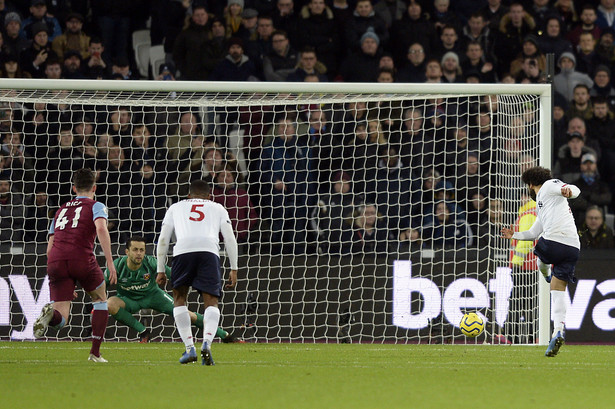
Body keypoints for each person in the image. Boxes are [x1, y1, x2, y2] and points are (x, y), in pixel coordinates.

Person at [33, 168, 117, 363]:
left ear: (73, 188)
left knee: (61, 320)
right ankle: (95, 353)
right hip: (81, 257)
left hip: (55, 260)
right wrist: (110, 262)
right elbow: (102, 229)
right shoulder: (96, 206)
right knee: (100, 299)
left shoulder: (60, 210)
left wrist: (64, 277)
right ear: (94, 187)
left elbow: (49, 248)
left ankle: (49, 316)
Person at [156, 179, 239, 365]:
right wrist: (234, 268)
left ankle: (189, 348)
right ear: (209, 196)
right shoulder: (217, 207)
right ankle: (207, 344)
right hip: (209, 252)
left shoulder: (175, 207)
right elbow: (230, 238)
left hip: (183, 251)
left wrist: (160, 269)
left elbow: (163, 239)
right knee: (211, 302)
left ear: (188, 195)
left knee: (179, 298)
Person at [501, 166, 581, 357]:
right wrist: (515, 235)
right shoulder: (543, 205)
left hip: (554, 242)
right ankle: (558, 331)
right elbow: (533, 233)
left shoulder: (548, 186)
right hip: (572, 248)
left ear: (530, 185)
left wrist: (568, 191)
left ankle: (545, 273)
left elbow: (573, 188)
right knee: (558, 289)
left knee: (541, 255)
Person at [104, 236, 242, 343]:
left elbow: (173, 274)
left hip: (153, 296)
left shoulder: (150, 262)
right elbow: (100, 284)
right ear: (127, 252)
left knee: (189, 315)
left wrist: (198, 284)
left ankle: (225, 336)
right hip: (129, 300)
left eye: (142, 250)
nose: (139, 254)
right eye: (135, 250)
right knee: (110, 304)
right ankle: (143, 332)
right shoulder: (117, 266)